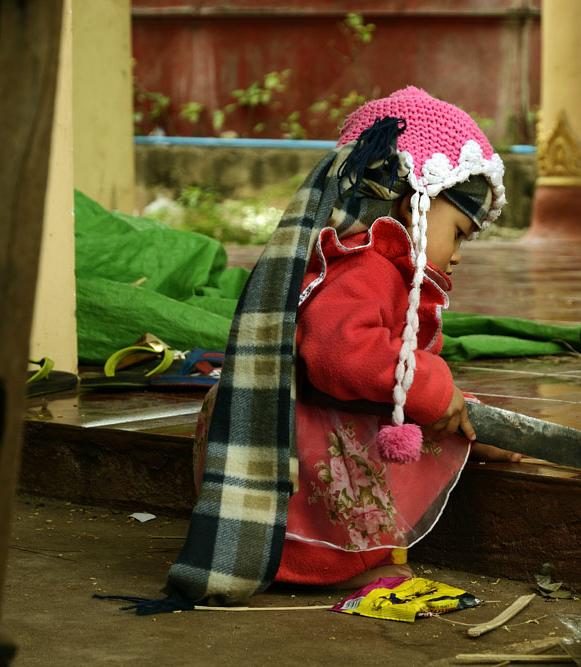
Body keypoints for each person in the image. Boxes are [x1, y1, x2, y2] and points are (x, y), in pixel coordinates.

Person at [177, 87, 519, 605]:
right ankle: (325, 560)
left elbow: (381, 369)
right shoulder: (365, 267)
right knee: (403, 428)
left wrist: (453, 407)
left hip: (284, 419)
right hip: (285, 439)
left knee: (428, 413)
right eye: (460, 232)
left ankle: (339, 552)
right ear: (415, 207)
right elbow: (342, 359)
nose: (460, 254)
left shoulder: (365, 262)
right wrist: (432, 389)